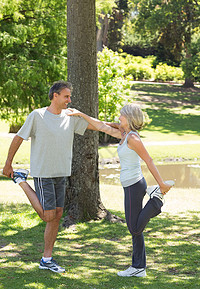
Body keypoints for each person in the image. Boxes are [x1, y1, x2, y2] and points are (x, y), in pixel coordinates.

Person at [68, 104, 174, 277]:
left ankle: (156, 200)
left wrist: (161, 183)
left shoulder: (133, 138)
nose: (119, 116)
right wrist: (81, 114)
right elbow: (100, 125)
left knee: (134, 228)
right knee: (135, 228)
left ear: (130, 118)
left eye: (122, 115)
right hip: (129, 185)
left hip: (134, 185)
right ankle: (138, 267)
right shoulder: (123, 135)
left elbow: (149, 160)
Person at [3, 80, 97, 273]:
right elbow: (18, 137)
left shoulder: (70, 117)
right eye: (66, 96)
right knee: (48, 215)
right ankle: (20, 180)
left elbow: (95, 126)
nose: (69, 100)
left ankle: (47, 259)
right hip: (43, 173)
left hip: (61, 173)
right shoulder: (37, 115)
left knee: (57, 215)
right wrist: (8, 164)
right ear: (55, 96)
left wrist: (120, 126)